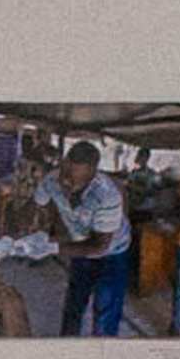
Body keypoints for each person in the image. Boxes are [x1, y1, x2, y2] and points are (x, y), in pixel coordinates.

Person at [36, 143, 133, 336]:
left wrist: (51, 247)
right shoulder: (52, 180)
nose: (67, 184)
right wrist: (31, 227)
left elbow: (99, 246)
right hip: (81, 244)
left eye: (73, 180)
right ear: (63, 163)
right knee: (74, 303)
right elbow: (36, 205)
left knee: (104, 310)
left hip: (112, 252)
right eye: (65, 173)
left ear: (92, 173)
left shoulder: (107, 194)